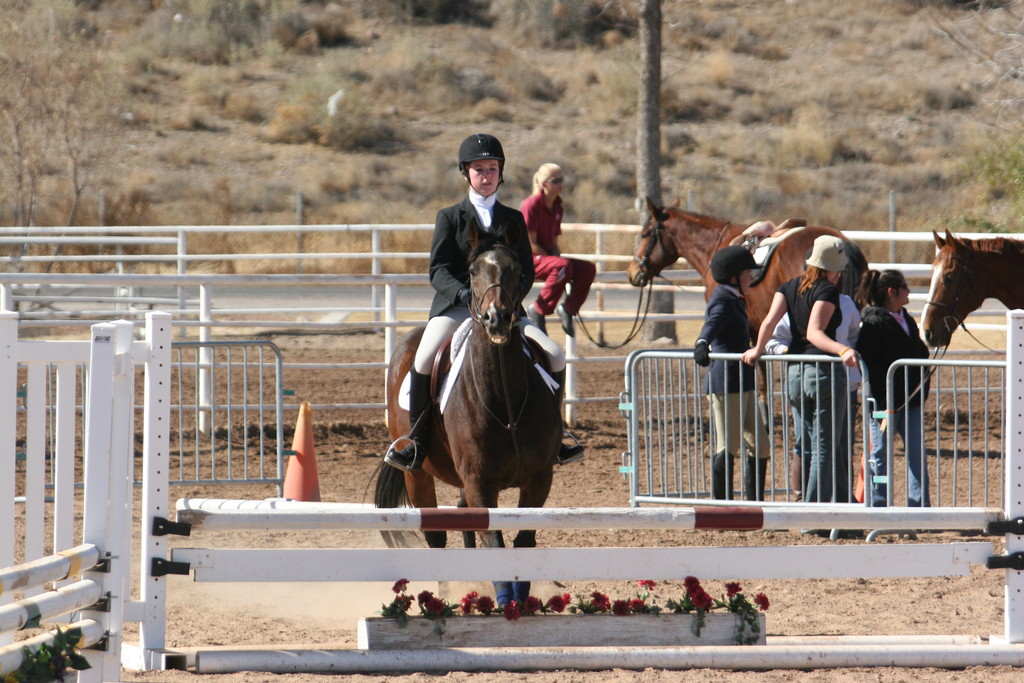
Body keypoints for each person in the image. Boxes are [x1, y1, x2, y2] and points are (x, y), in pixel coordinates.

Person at [384, 134, 584, 472]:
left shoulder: (513, 219)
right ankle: (416, 440)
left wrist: (506, 302)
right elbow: (438, 270)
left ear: (500, 173)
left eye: (493, 169)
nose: (487, 175)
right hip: (457, 308)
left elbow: (526, 270)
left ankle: (556, 436)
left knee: (554, 354)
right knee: (423, 358)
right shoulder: (450, 217)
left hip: (504, 311)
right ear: (466, 173)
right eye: (479, 169)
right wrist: (465, 296)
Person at [742, 235, 858, 504]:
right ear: (831, 268)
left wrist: (758, 350)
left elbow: (769, 322)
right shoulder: (828, 290)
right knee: (825, 449)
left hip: (795, 375)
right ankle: (815, 513)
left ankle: (829, 507)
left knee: (809, 444)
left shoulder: (788, 287)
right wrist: (842, 350)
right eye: (839, 269)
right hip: (824, 373)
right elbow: (814, 333)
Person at [766, 292, 861, 503]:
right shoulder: (796, 300)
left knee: (839, 445)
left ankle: (838, 499)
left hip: (841, 381)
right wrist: (791, 352)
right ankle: (805, 498)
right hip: (808, 377)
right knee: (809, 442)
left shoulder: (845, 302)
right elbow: (774, 340)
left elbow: (854, 336)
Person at [693, 246, 769, 501]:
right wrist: (702, 343)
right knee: (728, 447)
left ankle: (754, 505)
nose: (751, 277)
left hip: (743, 380)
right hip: (726, 382)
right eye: (747, 273)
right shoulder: (723, 299)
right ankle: (722, 506)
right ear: (733, 276)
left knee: (760, 445)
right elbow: (712, 324)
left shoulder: (734, 297)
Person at [855, 269, 931, 507]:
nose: (908, 290)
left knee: (917, 455)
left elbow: (918, 350)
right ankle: (878, 505)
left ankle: (919, 507)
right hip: (885, 404)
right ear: (891, 292)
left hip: (911, 400)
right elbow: (870, 363)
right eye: (904, 286)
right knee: (879, 455)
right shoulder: (872, 322)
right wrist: (885, 397)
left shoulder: (906, 318)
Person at [520, 163, 596, 338]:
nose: (561, 183)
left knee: (587, 269)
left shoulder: (558, 206)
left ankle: (568, 309)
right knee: (562, 266)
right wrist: (555, 262)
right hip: (528, 258)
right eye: (556, 180)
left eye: (562, 179)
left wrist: (556, 257)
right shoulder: (531, 205)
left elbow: (554, 241)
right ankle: (538, 308)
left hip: (546, 258)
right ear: (544, 183)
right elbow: (530, 244)